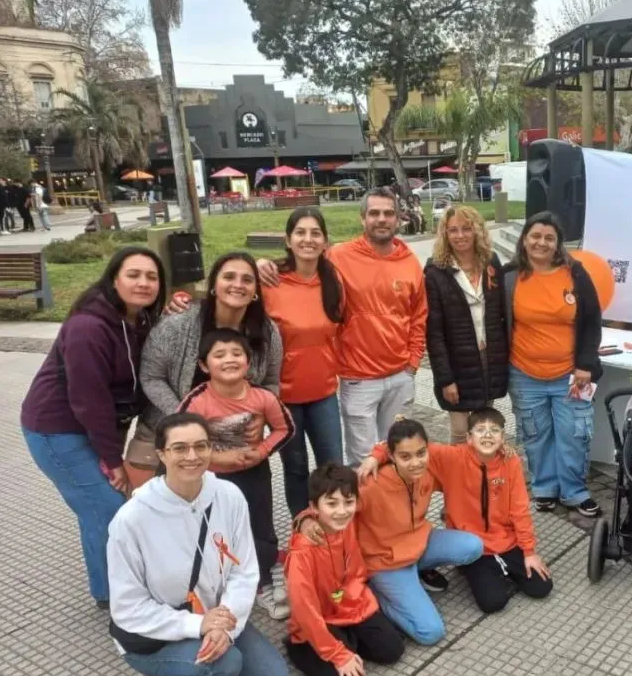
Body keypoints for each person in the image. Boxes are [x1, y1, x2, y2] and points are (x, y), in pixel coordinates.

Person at [107, 413, 290, 676]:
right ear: (161, 454)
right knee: (225, 664)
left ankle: (213, 666)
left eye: (200, 446)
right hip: (157, 631)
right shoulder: (131, 520)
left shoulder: (229, 496)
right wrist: (199, 626)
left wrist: (225, 626)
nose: (191, 456)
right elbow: (128, 607)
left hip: (218, 616)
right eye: (179, 448)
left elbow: (244, 571)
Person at [21, 246, 166, 608]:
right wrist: (112, 460)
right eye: (133, 275)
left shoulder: (139, 320)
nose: (143, 283)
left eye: (151, 277)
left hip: (93, 426)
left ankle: (114, 583)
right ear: (114, 280)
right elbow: (90, 400)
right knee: (107, 508)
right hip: (56, 429)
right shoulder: (88, 327)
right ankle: (112, 596)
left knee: (97, 508)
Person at [257, 188, 426, 467]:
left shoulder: (409, 261)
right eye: (374, 213)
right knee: (362, 462)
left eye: (388, 213)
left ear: (398, 218)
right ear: (362, 218)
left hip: (400, 375)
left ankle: (396, 497)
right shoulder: (339, 256)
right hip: (358, 378)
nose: (381, 219)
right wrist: (260, 264)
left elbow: (419, 315)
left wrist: (413, 362)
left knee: (399, 453)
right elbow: (302, 258)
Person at [296, 419, 483, 645]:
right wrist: (306, 519)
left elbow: (470, 451)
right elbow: (334, 504)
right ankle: (377, 594)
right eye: (405, 457)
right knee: (430, 633)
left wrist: (505, 451)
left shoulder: (430, 465)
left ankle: (416, 575)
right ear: (392, 457)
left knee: (473, 546)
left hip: (419, 543)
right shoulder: (372, 484)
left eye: (421, 453)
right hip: (385, 562)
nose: (415, 462)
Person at [358, 408, 552, 613]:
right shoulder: (451, 457)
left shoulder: (510, 461)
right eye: (480, 430)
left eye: (494, 431)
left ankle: (499, 567)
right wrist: (375, 456)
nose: (487, 435)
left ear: (503, 438)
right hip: (474, 544)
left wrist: (529, 552)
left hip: (506, 540)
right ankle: (467, 565)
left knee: (541, 587)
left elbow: (520, 510)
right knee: (493, 602)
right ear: (468, 438)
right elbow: (406, 445)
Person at [136, 252, 283, 487]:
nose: (238, 285)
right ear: (213, 285)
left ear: (256, 290)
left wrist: (262, 415)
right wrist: (184, 419)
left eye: (247, 279)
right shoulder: (178, 324)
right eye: (229, 277)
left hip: (237, 447)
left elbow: (271, 381)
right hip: (176, 440)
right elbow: (152, 376)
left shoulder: (268, 332)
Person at [178, 329, 296, 620]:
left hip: (254, 473)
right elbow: (180, 441)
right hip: (211, 479)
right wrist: (219, 458)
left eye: (236, 353)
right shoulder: (197, 401)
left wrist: (263, 451)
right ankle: (220, 580)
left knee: (260, 524)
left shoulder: (262, 397)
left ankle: (263, 576)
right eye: (219, 355)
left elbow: (285, 428)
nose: (229, 359)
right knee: (217, 528)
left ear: (249, 361)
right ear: (204, 365)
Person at [504, 211, 603, 518]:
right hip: (523, 373)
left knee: (574, 434)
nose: (541, 243)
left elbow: (592, 321)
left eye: (549, 237)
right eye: (535, 236)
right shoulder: (509, 276)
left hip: (572, 375)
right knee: (535, 435)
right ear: (524, 239)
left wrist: (586, 363)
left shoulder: (576, 274)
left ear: (558, 243)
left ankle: (574, 491)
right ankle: (544, 488)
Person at [284, 463, 405, 676]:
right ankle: (299, 648)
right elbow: (304, 608)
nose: (341, 511)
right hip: (318, 617)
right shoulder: (303, 550)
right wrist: (337, 654)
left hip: (349, 605)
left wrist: (377, 456)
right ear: (314, 507)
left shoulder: (348, 521)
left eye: (348, 502)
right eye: (331, 504)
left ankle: (347, 640)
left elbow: (387, 461)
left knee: (392, 650)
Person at [263, 207, 346, 517]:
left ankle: (334, 522)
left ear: (325, 241)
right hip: (285, 397)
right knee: (295, 467)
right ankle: (302, 524)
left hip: (323, 392)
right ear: (288, 240)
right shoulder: (270, 281)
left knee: (333, 465)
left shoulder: (333, 281)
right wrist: (255, 264)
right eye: (300, 232)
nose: (308, 239)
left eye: (315, 233)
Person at [424, 205, 509, 444]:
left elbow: (501, 314)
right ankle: (459, 469)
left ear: (477, 231)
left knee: (484, 427)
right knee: (460, 430)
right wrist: (445, 379)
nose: (460, 235)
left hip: (489, 357)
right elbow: (434, 333)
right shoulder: (435, 271)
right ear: (445, 234)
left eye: (466, 229)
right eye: (453, 230)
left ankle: (483, 466)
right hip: (457, 362)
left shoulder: (491, 262)